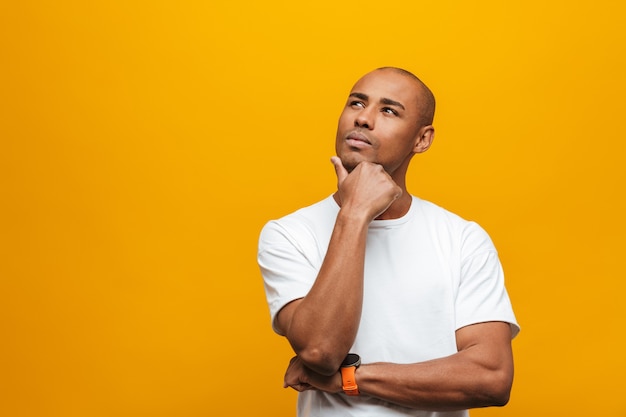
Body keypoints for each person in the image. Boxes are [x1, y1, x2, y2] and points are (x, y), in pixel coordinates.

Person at [257, 67, 519, 417]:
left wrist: (349, 379)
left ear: (422, 140)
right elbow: (321, 351)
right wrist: (355, 213)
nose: (364, 118)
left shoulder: (463, 239)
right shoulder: (289, 233)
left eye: (388, 110)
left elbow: (491, 379)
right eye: (356, 103)